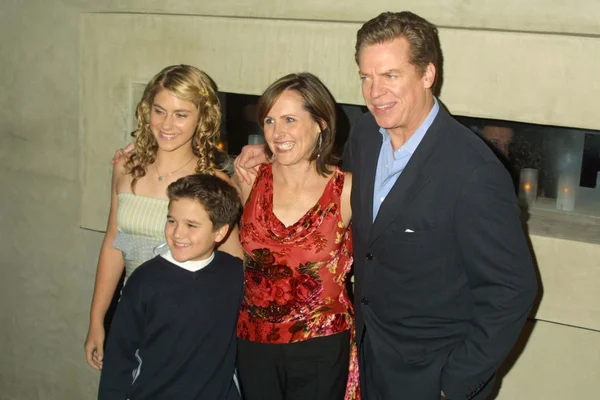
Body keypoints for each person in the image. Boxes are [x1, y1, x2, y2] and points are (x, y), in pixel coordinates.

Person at [235, 11, 538, 400]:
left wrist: (457, 382)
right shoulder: (365, 136)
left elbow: (512, 289)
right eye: (366, 77)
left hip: (431, 377)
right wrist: (271, 150)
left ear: (427, 75)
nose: (375, 92)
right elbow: (319, 179)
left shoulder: (473, 171)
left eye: (391, 75)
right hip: (363, 361)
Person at [84, 64, 243, 371]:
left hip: (187, 324)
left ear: (202, 119)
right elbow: (113, 244)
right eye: (159, 111)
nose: (167, 124)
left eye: (181, 114)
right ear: (147, 111)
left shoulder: (213, 182)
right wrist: (97, 320)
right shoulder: (125, 167)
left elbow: (234, 265)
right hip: (132, 314)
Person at [233, 72, 359, 400]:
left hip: (321, 343)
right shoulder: (251, 178)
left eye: (290, 119)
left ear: (320, 123)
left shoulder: (347, 190)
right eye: (270, 121)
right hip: (253, 340)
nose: (278, 132)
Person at [98, 174, 244, 399]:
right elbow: (120, 356)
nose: (177, 233)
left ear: (220, 231)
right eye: (172, 220)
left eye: (191, 225)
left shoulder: (235, 275)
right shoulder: (144, 280)